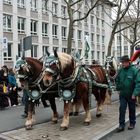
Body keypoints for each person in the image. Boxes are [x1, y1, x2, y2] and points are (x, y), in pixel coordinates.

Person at [115, 55, 140, 132]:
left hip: (131, 95)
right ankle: (121, 125)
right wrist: (118, 89)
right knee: (122, 109)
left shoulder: (134, 70)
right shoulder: (121, 70)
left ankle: (132, 123)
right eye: (122, 62)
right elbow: (117, 80)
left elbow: (138, 83)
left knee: (132, 109)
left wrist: (135, 94)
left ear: (128, 62)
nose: (123, 64)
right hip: (122, 94)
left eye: (124, 62)